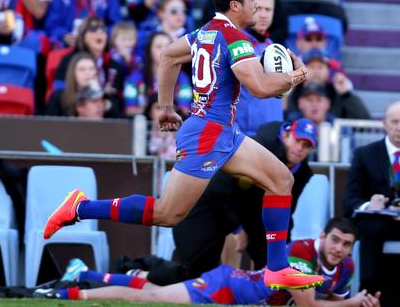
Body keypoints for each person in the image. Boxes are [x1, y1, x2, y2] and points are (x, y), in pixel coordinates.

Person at [44, 0, 322, 290]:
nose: (258, 8)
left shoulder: (204, 33)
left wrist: (165, 107)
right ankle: (79, 207)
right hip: (208, 135)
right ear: (235, 6)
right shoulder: (235, 38)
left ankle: (277, 267)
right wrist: (298, 74)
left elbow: (168, 57)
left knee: (282, 180)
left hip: (223, 132)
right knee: (167, 213)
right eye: (252, 2)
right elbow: (259, 88)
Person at [38, 218, 382, 307]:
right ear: (324, 236)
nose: (339, 249)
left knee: (156, 290)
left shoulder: (346, 267)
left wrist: (353, 300)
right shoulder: (302, 255)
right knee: (152, 298)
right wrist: (352, 302)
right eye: (335, 240)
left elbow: (329, 297)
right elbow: (309, 304)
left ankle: (84, 273)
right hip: (228, 290)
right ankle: (65, 294)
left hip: (243, 293)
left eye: (346, 245)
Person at [169, 118, 318, 279]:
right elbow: (217, 187)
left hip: (251, 212)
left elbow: (286, 210)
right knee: (193, 271)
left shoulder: (301, 172)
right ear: (286, 135)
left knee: (271, 263)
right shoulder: (259, 146)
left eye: (306, 145)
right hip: (205, 203)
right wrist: (237, 228)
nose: (300, 148)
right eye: (298, 141)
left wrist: (283, 247)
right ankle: (145, 274)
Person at [343, 101, 400, 302]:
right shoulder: (364, 154)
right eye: (394, 121)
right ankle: (368, 293)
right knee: (371, 226)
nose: (399, 127)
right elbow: (350, 200)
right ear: (384, 124)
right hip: (377, 222)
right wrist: (370, 205)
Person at [236, 0, 284, 137]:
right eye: (258, 8)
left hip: (274, 135)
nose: (263, 15)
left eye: (268, 10)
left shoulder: (274, 47)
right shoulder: (235, 44)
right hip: (246, 135)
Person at [286, 49, 370, 120]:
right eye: (311, 67)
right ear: (301, 69)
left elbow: (364, 123)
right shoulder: (292, 92)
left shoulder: (337, 93)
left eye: (320, 67)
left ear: (328, 71)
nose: (316, 71)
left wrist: (347, 95)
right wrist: (286, 95)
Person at [124, 32, 191, 121]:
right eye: (159, 46)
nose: (164, 51)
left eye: (168, 46)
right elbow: (130, 110)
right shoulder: (135, 78)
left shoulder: (182, 78)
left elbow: (185, 110)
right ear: (149, 51)